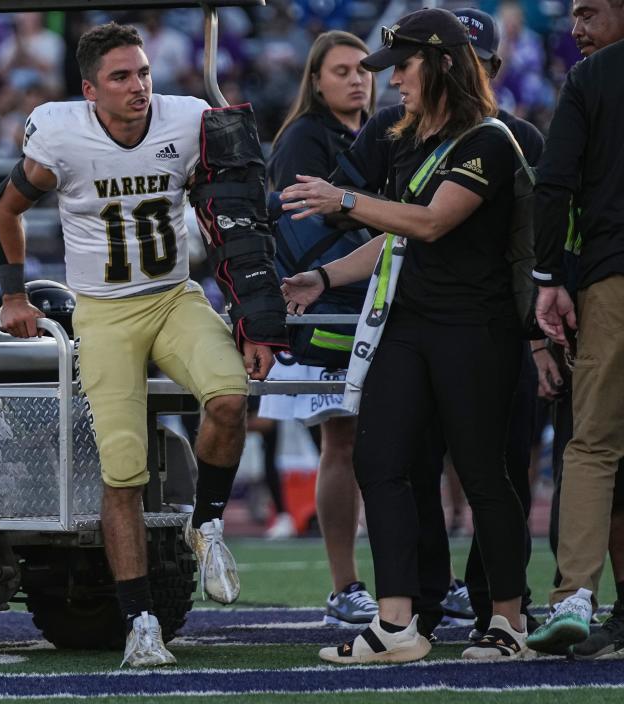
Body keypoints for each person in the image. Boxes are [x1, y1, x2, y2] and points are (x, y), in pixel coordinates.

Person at [0, 22, 276, 667]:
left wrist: (256, 309)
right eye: (120, 77)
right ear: (90, 89)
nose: (138, 86)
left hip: (175, 296)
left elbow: (235, 207)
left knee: (231, 397)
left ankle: (205, 522)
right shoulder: (61, 135)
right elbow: (4, 208)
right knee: (123, 471)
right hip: (105, 311)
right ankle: (141, 622)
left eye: (143, 72)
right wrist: (14, 295)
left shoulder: (188, 119)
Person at [282, 8, 529, 662]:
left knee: (482, 474)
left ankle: (508, 620)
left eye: (404, 68)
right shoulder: (404, 137)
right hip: (409, 323)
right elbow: (397, 237)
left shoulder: (491, 140)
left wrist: (345, 202)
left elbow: (431, 222)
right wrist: (323, 277)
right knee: (379, 460)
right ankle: (397, 625)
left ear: (444, 63)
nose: (393, 83)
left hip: (477, 329)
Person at [261, 30, 379, 627]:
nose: (357, 79)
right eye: (341, 71)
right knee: (345, 441)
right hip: (334, 306)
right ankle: (345, 586)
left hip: (377, 302)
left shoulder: (377, 128)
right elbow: (310, 227)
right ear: (316, 80)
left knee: (386, 444)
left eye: (363, 69)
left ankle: (411, 582)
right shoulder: (306, 138)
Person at [525, 0, 624, 659]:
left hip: (609, 278)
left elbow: (553, 183)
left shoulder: (590, 80)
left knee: (591, 445)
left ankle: (574, 598)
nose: (576, 28)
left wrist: (546, 278)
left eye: (589, 11)